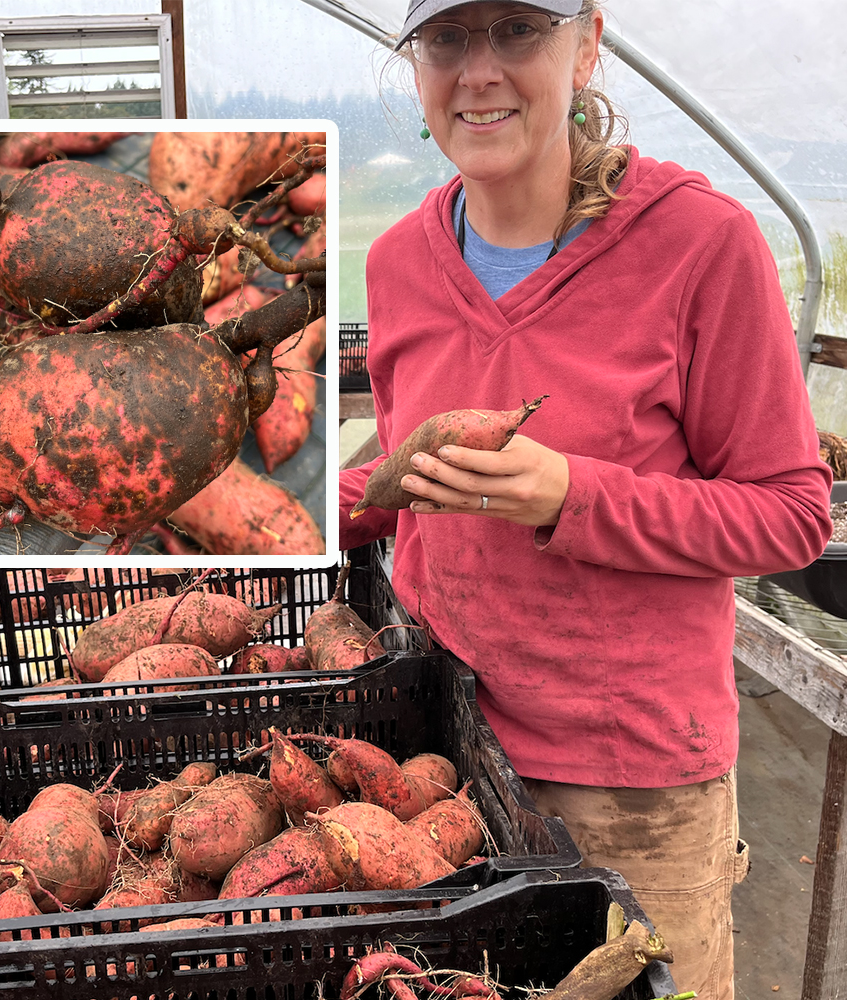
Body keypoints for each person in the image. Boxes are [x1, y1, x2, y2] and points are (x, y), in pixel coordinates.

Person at [338, 2, 834, 997]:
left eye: (517, 30)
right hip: (443, 761)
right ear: (416, 63)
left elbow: (790, 513)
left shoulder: (700, 244)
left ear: (587, 43)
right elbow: (409, 478)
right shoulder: (397, 262)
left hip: (635, 781)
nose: (478, 72)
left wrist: (571, 494)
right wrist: (283, 509)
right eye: (447, 39)